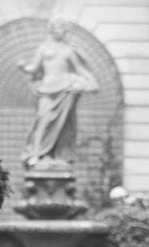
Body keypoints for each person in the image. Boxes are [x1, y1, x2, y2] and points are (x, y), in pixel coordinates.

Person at [18, 18, 98, 167]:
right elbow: (34, 67)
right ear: (51, 30)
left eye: (60, 28)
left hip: (65, 88)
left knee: (61, 124)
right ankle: (36, 153)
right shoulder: (44, 48)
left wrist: (90, 80)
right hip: (47, 88)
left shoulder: (69, 50)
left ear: (65, 31)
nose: (57, 30)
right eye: (55, 27)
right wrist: (23, 67)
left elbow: (79, 68)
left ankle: (54, 155)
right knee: (42, 118)